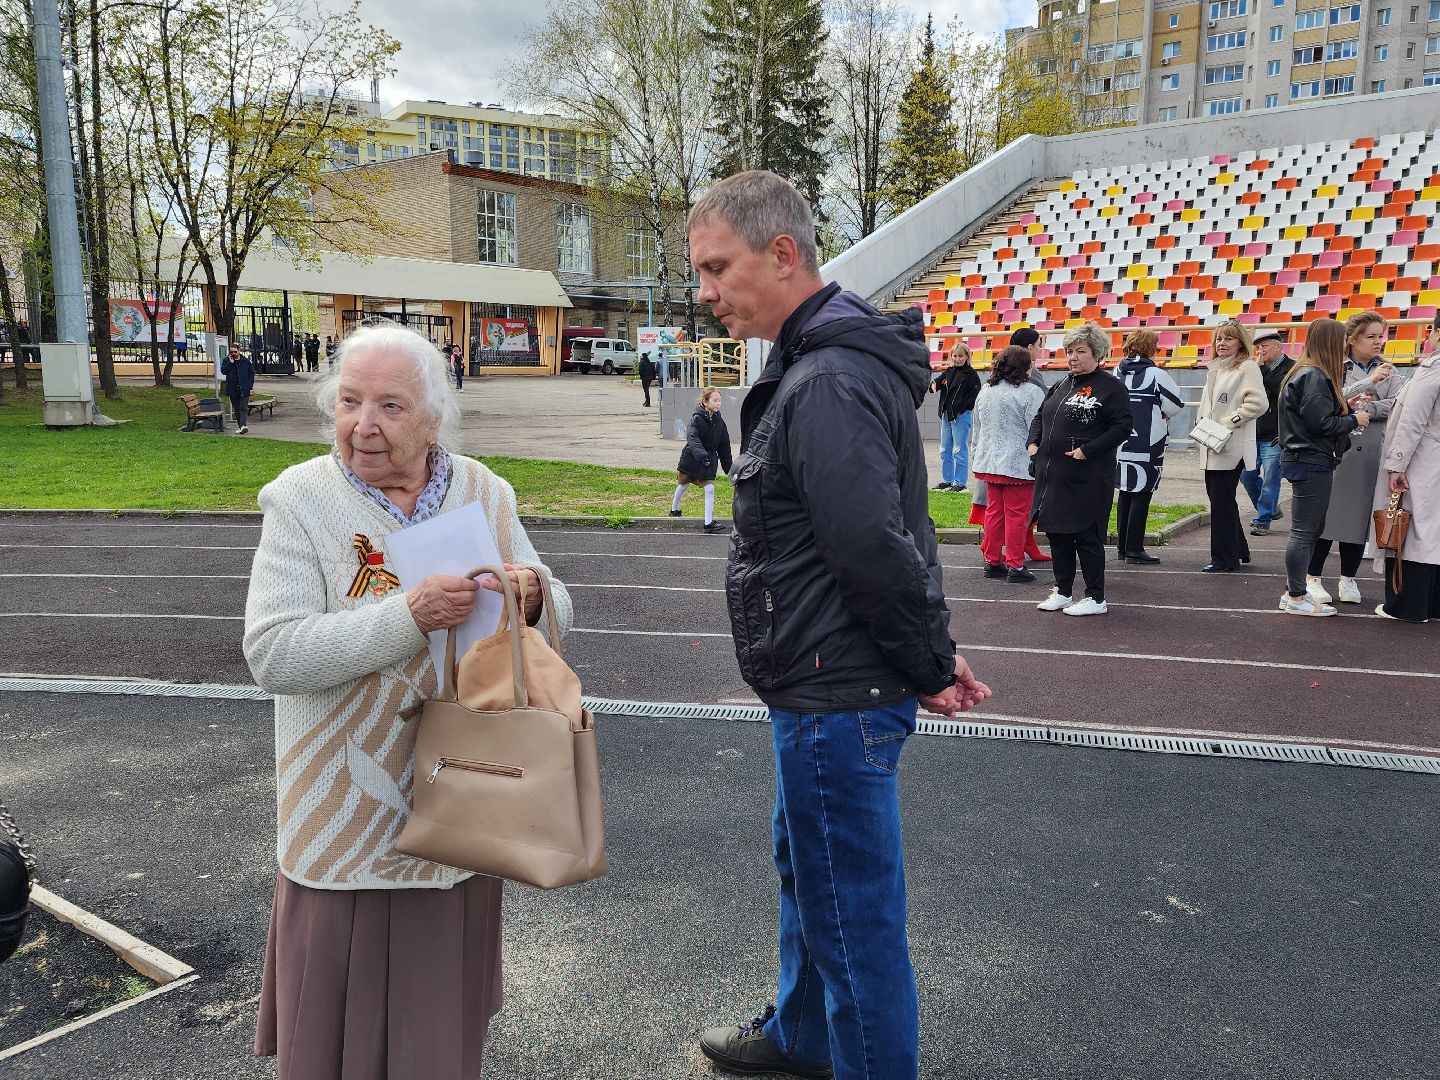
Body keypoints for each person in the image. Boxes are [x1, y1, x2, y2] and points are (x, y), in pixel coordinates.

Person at [688, 170, 990, 1080]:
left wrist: (930, 660)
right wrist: (931, 651)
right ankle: (801, 1034)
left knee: (852, 918)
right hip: (828, 680)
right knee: (811, 881)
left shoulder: (825, 379)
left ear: (783, 254)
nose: (704, 293)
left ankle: (843, 1051)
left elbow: (872, 547)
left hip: (835, 692)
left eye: (715, 268)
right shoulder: (825, 363)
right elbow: (894, 531)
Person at [245, 323, 573, 1080]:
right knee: (337, 1048)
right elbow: (273, 653)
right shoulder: (300, 499)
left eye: (390, 406)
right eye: (350, 401)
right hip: (344, 827)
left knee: (437, 1040)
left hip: (463, 806)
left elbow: (557, 607)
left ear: (433, 418)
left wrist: (531, 595)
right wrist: (408, 617)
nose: (365, 424)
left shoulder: (485, 491)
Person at [1027, 322, 1133, 616]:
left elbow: (1123, 426)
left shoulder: (1110, 387)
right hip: (1053, 476)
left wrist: (1088, 450)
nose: (1073, 357)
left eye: (1080, 351)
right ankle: (1062, 591)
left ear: (1096, 353)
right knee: (1058, 535)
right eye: (1069, 351)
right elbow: (1040, 416)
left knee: (1086, 538)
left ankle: (1095, 597)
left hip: (1087, 478)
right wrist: (1032, 444)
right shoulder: (1061, 384)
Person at [1306, 310, 1403, 607]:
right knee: (1327, 517)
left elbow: (1397, 403)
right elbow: (1330, 400)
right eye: (1370, 336)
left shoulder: (1390, 370)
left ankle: (1348, 576)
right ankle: (1312, 576)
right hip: (1338, 451)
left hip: (1372, 452)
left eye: (1380, 336)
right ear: (1351, 340)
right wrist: (1363, 390)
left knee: (1359, 518)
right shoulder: (1334, 367)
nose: (1377, 342)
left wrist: (1367, 411)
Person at [1276, 318, 1365, 616]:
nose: (1345, 345)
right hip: (1311, 459)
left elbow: (1316, 418)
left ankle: (1294, 593)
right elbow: (1320, 423)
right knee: (1305, 531)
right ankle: (1296, 596)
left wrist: (1347, 410)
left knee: (1310, 529)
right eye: (1342, 340)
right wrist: (1354, 419)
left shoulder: (1306, 372)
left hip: (1307, 458)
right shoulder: (1313, 375)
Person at [1371, 314, 1440, 622]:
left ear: (1435, 333)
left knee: (1415, 533)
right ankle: (1433, 605)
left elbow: (1412, 421)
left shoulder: (1431, 371)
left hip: (1425, 461)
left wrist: (1396, 464)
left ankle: (1407, 606)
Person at [1196, 320, 1267, 573]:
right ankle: (1238, 549)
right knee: (1222, 499)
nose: (1222, 343)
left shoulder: (1247, 367)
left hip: (1229, 445)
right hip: (1212, 443)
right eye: (1219, 338)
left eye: (1228, 339)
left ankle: (1224, 559)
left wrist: (1229, 422)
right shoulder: (1217, 369)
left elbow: (1258, 404)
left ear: (1241, 343)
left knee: (1221, 502)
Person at [971, 346, 1045, 582]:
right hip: (1018, 462)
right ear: (1023, 367)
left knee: (995, 512)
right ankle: (1015, 564)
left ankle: (992, 560)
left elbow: (978, 427)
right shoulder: (1030, 392)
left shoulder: (985, 390)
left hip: (989, 461)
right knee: (1017, 515)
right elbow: (1036, 428)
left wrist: (976, 456)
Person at [1114, 329, 1185, 564]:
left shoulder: (1117, 371)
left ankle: (1123, 547)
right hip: (1148, 442)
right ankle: (1134, 548)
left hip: (1121, 441)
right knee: (1142, 493)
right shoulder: (1156, 373)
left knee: (1125, 492)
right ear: (1151, 348)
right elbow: (1175, 404)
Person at [1241, 328, 1294, 536]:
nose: (1260, 351)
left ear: (1278, 347)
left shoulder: (1291, 368)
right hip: (1254, 432)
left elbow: (1276, 389)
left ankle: (1262, 518)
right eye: (1258, 347)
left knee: (1272, 478)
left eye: (1264, 346)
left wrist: (1260, 370)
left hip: (1276, 435)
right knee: (1247, 476)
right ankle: (1270, 508)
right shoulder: (1256, 369)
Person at [1008, 327, 1052, 562]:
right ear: (1028, 349)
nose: (1040, 349)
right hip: (1023, 449)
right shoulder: (1030, 375)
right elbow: (1041, 410)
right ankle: (1015, 555)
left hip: (1008, 451)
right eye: (1037, 345)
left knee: (1013, 506)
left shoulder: (1003, 375)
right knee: (1021, 506)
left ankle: (1010, 548)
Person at [671, 387, 733, 533]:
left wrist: (729, 469)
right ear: (705, 402)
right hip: (692, 459)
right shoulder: (696, 419)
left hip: (708, 461)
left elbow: (724, 446)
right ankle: (674, 510)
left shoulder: (720, 422)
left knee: (709, 488)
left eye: (720, 400)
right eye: (715, 400)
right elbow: (692, 438)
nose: (718, 403)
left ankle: (708, 523)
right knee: (683, 484)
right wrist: (701, 455)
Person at [930, 340, 981, 491]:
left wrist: (962, 407)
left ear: (967, 357)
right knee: (945, 449)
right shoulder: (948, 371)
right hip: (946, 416)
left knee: (959, 450)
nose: (957, 359)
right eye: (955, 356)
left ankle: (960, 482)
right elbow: (937, 382)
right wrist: (933, 385)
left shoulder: (971, 374)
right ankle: (947, 480)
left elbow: (975, 395)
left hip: (961, 416)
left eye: (960, 356)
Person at [221, 342, 255, 435]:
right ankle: (241, 427)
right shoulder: (226, 361)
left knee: (243, 407)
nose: (233, 354)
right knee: (237, 408)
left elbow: (251, 374)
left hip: (244, 387)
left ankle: (243, 425)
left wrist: (249, 386)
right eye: (231, 352)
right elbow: (223, 371)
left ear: (239, 351)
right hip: (233, 388)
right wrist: (231, 363)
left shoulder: (246, 361)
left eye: (235, 352)